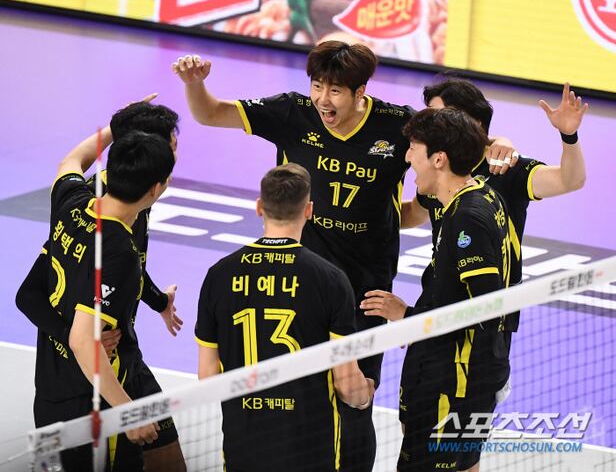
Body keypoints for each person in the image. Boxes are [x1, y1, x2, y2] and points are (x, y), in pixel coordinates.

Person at [174, 40, 411, 470]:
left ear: (360, 91)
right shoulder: (291, 112)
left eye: (335, 90)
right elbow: (210, 113)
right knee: (294, 396)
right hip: (301, 285)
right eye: (317, 86)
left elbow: (461, 151)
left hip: (365, 293)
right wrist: (195, 84)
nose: (323, 99)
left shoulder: (397, 125)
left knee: (354, 400)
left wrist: (501, 143)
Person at [362, 79, 587, 471]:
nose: (431, 123)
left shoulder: (504, 171)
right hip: (440, 312)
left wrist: (568, 135)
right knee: (433, 441)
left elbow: (571, 180)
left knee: (449, 449)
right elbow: (413, 212)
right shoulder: (442, 176)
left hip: (470, 335)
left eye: (439, 116)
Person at [16, 100, 186, 471]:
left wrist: (159, 301)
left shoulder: (74, 199)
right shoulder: (116, 245)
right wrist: (128, 413)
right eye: (171, 151)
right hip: (90, 389)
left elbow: (70, 162)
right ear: (155, 185)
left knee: (169, 459)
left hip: (125, 363)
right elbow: (80, 338)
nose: (174, 159)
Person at [196, 163, 375, 472]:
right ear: (309, 210)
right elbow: (347, 385)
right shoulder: (331, 279)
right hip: (310, 451)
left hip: (244, 447)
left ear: (259, 207)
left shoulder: (219, 275)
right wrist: (364, 394)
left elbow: (208, 377)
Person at [377, 107, 511, 471]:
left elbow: (486, 310)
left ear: (439, 159)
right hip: (449, 370)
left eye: (414, 149)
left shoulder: (467, 218)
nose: (407, 157)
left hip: (453, 379)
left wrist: (408, 317)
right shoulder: (480, 195)